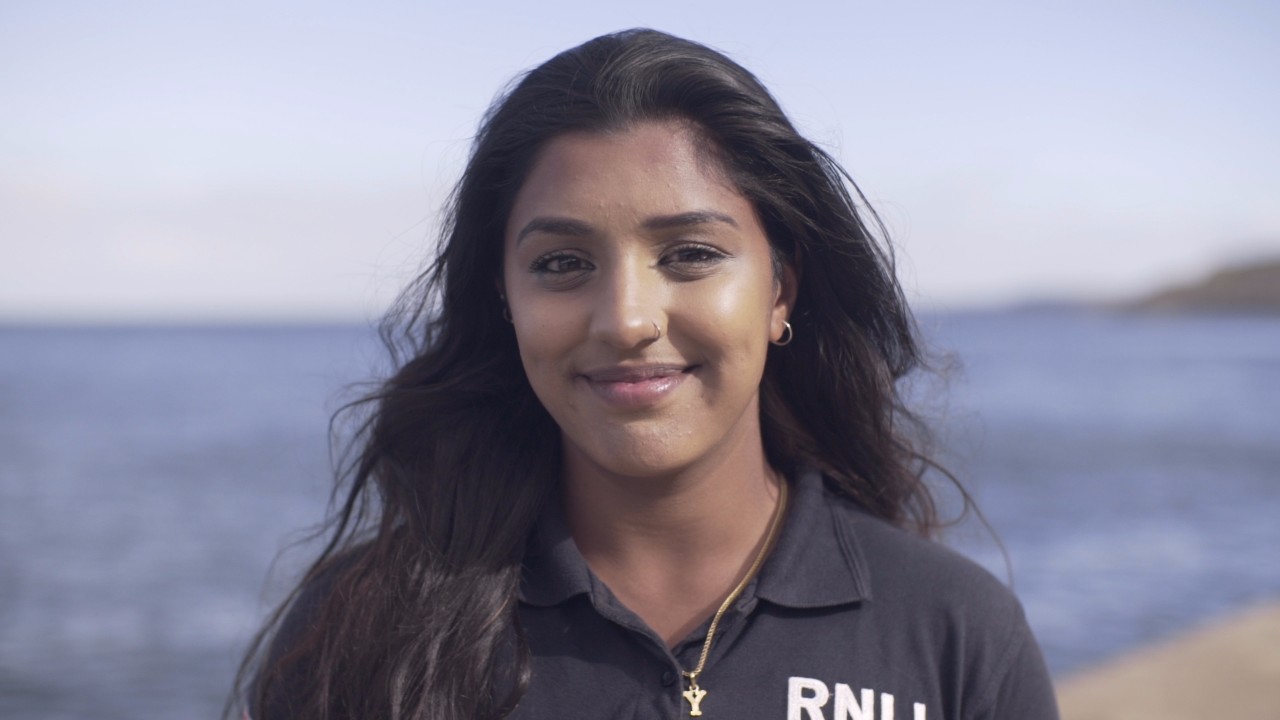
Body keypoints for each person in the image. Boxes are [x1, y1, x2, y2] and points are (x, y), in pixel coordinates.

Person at [235, 28, 1060, 720]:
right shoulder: (366, 630)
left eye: (691, 254)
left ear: (781, 289)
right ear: (504, 301)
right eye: (561, 263)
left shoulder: (953, 631)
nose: (627, 319)